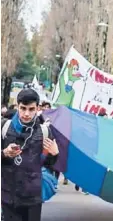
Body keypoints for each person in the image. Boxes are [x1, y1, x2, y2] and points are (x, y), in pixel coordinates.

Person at [1, 89, 59, 221]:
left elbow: (49, 165)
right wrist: (4, 153)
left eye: (31, 109)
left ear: (37, 108)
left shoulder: (45, 131)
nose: (26, 113)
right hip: (8, 196)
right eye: (23, 108)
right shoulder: (4, 127)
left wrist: (54, 154)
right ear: (17, 106)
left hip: (33, 197)